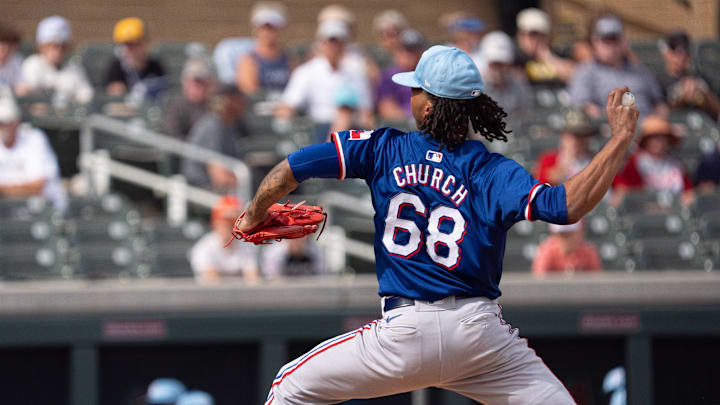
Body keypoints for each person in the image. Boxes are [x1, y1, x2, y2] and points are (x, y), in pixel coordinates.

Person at [236, 45, 639, 403]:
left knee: (288, 388)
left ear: (430, 105)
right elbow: (566, 206)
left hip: (404, 334)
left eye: (416, 89)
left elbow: (293, 167)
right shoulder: (492, 170)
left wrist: (254, 212)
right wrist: (619, 139)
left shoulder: (383, 148)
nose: (410, 95)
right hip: (479, 337)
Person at [275, 19, 373, 141]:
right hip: (316, 127)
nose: (333, 47)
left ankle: (331, 150)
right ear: (321, 43)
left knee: (345, 114)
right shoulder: (306, 71)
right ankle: (331, 150)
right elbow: (289, 103)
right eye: (330, 42)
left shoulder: (356, 72)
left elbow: (365, 111)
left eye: (338, 42)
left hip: (350, 129)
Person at [569, 14, 666, 119]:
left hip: (648, 130)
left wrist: (658, 124)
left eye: (615, 39)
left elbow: (660, 105)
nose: (611, 45)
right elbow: (584, 107)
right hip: (610, 130)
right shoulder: (586, 72)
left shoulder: (639, 71)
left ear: (623, 40)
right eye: (606, 39)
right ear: (595, 41)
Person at [0, 86, 67, 211]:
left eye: (5, 123)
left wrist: (4, 190)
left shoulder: (35, 138)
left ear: (16, 122)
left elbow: (37, 186)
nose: (3, 128)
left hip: (46, 212)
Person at [181, 84, 250, 193]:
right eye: (239, 100)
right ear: (227, 102)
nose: (243, 104)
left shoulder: (229, 126)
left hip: (217, 191)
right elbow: (220, 178)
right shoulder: (213, 127)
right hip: (202, 192)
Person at [613, 115, 693, 205]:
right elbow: (622, 188)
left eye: (662, 137)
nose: (657, 141)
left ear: (668, 140)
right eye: (653, 137)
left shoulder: (677, 165)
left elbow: (688, 192)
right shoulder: (635, 162)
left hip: (674, 210)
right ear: (645, 140)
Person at [15, 16, 93, 104]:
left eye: (63, 46)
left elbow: (86, 95)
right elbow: (26, 93)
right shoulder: (32, 64)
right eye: (53, 46)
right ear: (41, 46)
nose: (58, 51)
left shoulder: (74, 67)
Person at [190, 195, 260, 283]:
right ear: (214, 223)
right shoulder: (203, 248)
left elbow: (253, 279)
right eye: (225, 223)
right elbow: (213, 282)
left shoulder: (247, 245)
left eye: (233, 223)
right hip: (208, 296)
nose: (230, 228)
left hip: (243, 295)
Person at [656, 30, 720, 120]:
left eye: (683, 51)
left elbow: (717, 110)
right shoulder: (658, 81)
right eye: (674, 50)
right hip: (674, 129)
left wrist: (705, 96)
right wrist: (681, 100)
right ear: (666, 53)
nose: (679, 57)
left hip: (702, 129)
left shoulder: (698, 77)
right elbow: (658, 114)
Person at [235, 2, 291, 96]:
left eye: (272, 28)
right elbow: (249, 91)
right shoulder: (248, 60)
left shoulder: (289, 60)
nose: (268, 32)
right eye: (264, 28)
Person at [104, 17, 167, 99]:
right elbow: (113, 97)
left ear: (144, 43)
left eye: (133, 44)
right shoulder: (116, 67)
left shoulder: (155, 66)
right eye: (125, 45)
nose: (129, 49)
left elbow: (163, 93)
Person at [480, 31, 533, 125]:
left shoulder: (519, 85)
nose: (497, 70)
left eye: (501, 64)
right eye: (494, 64)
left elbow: (526, 114)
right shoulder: (477, 89)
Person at [515, 8, 576, 85]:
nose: (536, 39)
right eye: (532, 34)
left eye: (542, 34)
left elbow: (576, 76)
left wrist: (546, 55)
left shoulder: (558, 54)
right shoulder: (514, 58)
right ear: (520, 36)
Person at [375, 29, 426, 122]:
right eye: (403, 49)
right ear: (396, 51)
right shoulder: (388, 77)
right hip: (402, 127)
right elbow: (387, 109)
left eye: (413, 50)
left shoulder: (430, 75)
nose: (407, 54)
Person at [535, 109, 596, 185]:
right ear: (563, 136)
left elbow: (614, 188)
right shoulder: (549, 159)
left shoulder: (596, 160)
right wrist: (567, 162)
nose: (576, 140)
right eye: (572, 135)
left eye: (581, 135)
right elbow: (542, 190)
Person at [164, 58, 215, 140]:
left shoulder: (216, 104)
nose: (201, 87)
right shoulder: (176, 107)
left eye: (205, 82)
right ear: (185, 83)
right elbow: (174, 137)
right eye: (197, 82)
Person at [531, 222, 601, 276]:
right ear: (553, 234)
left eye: (570, 234)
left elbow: (596, 284)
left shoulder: (588, 253)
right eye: (562, 234)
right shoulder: (546, 252)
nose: (566, 239)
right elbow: (540, 283)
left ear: (580, 233)